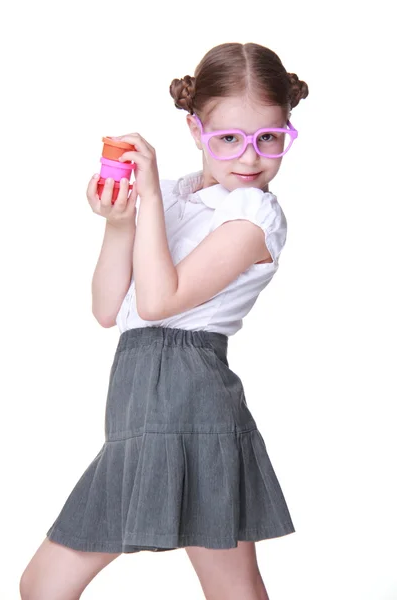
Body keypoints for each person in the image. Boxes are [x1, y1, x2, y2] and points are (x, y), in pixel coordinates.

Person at [20, 42, 309, 600]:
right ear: (196, 130)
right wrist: (120, 222)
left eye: (268, 138)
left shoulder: (255, 214)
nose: (249, 158)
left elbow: (158, 301)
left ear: (286, 131)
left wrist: (147, 194)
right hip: (134, 399)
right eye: (228, 138)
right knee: (43, 584)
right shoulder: (176, 199)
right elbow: (110, 310)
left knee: (231, 588)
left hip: (191, 396)